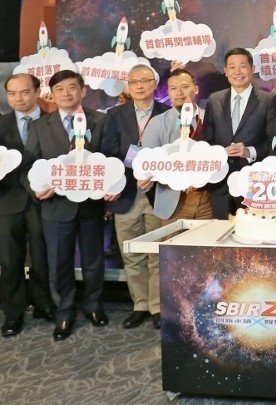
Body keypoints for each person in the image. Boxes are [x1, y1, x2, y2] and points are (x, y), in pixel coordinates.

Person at [22, 70, 110, 341]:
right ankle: (64, 312)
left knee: (93, 260)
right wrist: (37, 189)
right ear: (52, 95)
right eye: (59, 89)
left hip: (91, 205)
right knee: (59, 263)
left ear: (82, 91)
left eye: (72, 87)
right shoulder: (40, 126)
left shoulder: (100, 120)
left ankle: (93, 305)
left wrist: (111, 186)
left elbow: (110, 159)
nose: (66, 93)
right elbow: (28, 166)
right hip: (55, 206)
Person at [100, 65, 169, 329]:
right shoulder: (115, 115)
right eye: (134, 82)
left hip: (157, 193)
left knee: (157, 253)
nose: (139, 86)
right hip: (126, 193)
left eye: (145, 81)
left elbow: (172, 154)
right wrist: (125, 176)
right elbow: (108, 154)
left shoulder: (168, 113)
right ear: (128, 86)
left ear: (154, 84)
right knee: (132, 253)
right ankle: (140, 304)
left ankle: (158, 307)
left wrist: (154, 173)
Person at [0, 73, 55, 337]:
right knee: (9, 260)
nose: (18, 99)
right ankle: (13, 312)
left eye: (24, 92)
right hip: (6, 200)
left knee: (42, 256)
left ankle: (44, 304)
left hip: (42, 199)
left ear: (36, 92)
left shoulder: (53, 121)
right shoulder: (0, 124)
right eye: (12, 93)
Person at [139, 68, 214, 257]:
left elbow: (218, 157)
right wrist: (146, 178)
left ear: (196, 89)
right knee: (173, 260)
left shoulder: (211, 118)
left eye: (184, 86)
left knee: (208, 258)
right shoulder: (157, 123)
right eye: (173, 88)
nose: (179, 92)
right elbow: (149, 163)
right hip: (173, 202)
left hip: (208, 199)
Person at [202, 48, 276, 219]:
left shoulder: (267, 100)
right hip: (220, 183)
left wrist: (249, 151)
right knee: (221, 230)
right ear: (225, 71)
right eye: (232, 67)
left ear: (252, 69)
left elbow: (273, 142)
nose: (237, 72)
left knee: (253, 229)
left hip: (254, 184)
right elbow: (206, 141)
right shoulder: (214, 100)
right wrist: (220, 153)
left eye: (243, 66)